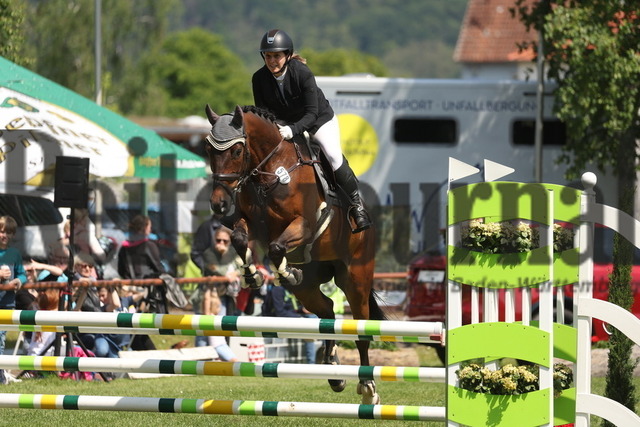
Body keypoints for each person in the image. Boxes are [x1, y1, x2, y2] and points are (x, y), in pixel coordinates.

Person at [252, 29, 371, 233]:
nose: (272, 61)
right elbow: (264, 114)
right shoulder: (259, 78)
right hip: (285, 124)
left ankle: (356, 206)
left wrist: (293, 129)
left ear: (288, 55)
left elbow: (312, 113)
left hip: (318, 120)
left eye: (276, 56)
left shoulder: (302, 73)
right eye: (268, 56)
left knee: (332, 156)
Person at [0, 216, 27, 384]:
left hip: (6, 303)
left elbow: (22, 273)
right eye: (2, 231)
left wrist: (18, 281)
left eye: (8, 232)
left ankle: (1, 375)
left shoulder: (14, 253)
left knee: (0, 338)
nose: (5, 235)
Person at [261, 283, 317, 364]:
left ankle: (325, 350)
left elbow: (291, 308)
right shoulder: (278, 289)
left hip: (290, 317)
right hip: (276, 320)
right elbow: (280, 312)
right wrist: (299, 318)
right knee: (309, 328)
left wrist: (302, 310)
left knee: (313, 316)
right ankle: (311, 363)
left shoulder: (290, 289)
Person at [201, 227, 242, 317]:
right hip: (212, 295)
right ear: (214, 240)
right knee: (214, 323)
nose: (221, 243)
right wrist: (224, 254)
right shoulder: (208, 253)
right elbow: (220, 271)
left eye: (225, 241)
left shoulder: (233, 253)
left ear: (230, 242)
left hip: (229, 294)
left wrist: (235, 273)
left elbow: (242, 269)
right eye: (218, 240)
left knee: (228, 321)